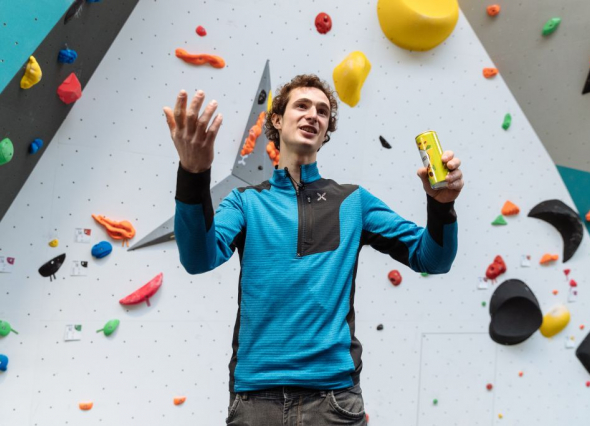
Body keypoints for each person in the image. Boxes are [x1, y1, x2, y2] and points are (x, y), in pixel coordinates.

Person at [163, 74, 463, 425]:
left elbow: (432, 258)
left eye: (322, 111)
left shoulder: (354, 202)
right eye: (301, 105)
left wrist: (441, 206)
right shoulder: (246, 202)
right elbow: (198, 258)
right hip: (256, 399)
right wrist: (193, 174)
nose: (313, 115)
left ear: (326, 131)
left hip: (333, 400)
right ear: (277, 119)